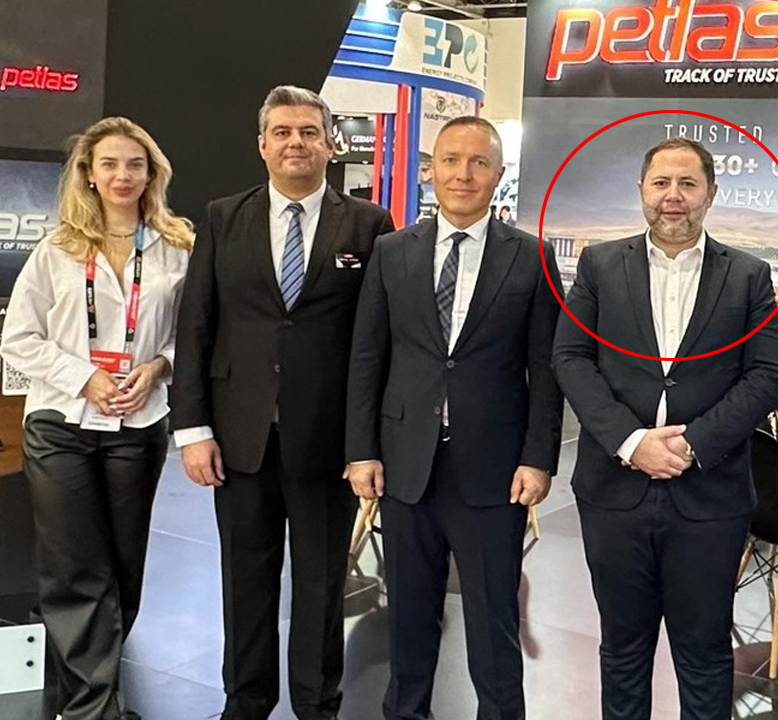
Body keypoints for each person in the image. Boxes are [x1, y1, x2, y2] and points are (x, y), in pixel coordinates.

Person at [170, 86, 395, 720]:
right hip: (238, 438)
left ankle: (318, 703)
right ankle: (244, 701)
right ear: (263, 145)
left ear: (331, 143)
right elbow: (196, 325)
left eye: (309, 131)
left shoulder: (369, 224)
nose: (296, 142)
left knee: (322, 584)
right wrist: (192, 429)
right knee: (244, 579)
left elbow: (377, 340)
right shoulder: (223, 217)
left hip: (327, 440)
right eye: (283, 132)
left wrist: (366, 443)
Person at [552, 137, 778, 720]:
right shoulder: (600, 266)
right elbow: (570, 357)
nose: (673, 196)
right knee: (622, 649)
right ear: (642, 190)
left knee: (705, 654)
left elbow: (768, 373)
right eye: (661, 183)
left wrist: (694, 443)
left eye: (687, 183)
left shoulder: (749, 275)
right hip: (614, 492)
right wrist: (632, 442)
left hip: (709, 496)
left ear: (711, 192)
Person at [345, 116, 564, 720]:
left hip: (493, 471)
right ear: (431, 170)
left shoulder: (531, 257)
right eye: (450, 160)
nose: (463, 174)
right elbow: (367, 357)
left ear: (498, 174)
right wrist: (361, 449)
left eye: (478, 162)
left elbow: (546, 369)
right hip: (404, 465)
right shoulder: (392, 251)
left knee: (494, 624)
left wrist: (538, 458)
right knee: (408, 616)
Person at [0, 116, 193, 720]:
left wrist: (157, 367)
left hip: (138, 426)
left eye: (135, 164)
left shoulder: (177, 248)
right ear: (88, 173)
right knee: (75, 569)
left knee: (123, 569)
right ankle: (93, 709)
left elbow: (192, 336)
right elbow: (17, 338)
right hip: (61, 425)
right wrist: (84, 377)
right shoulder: (57, 249)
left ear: (151, 174)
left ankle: (91, 696)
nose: (122, 175)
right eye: (109, 164)